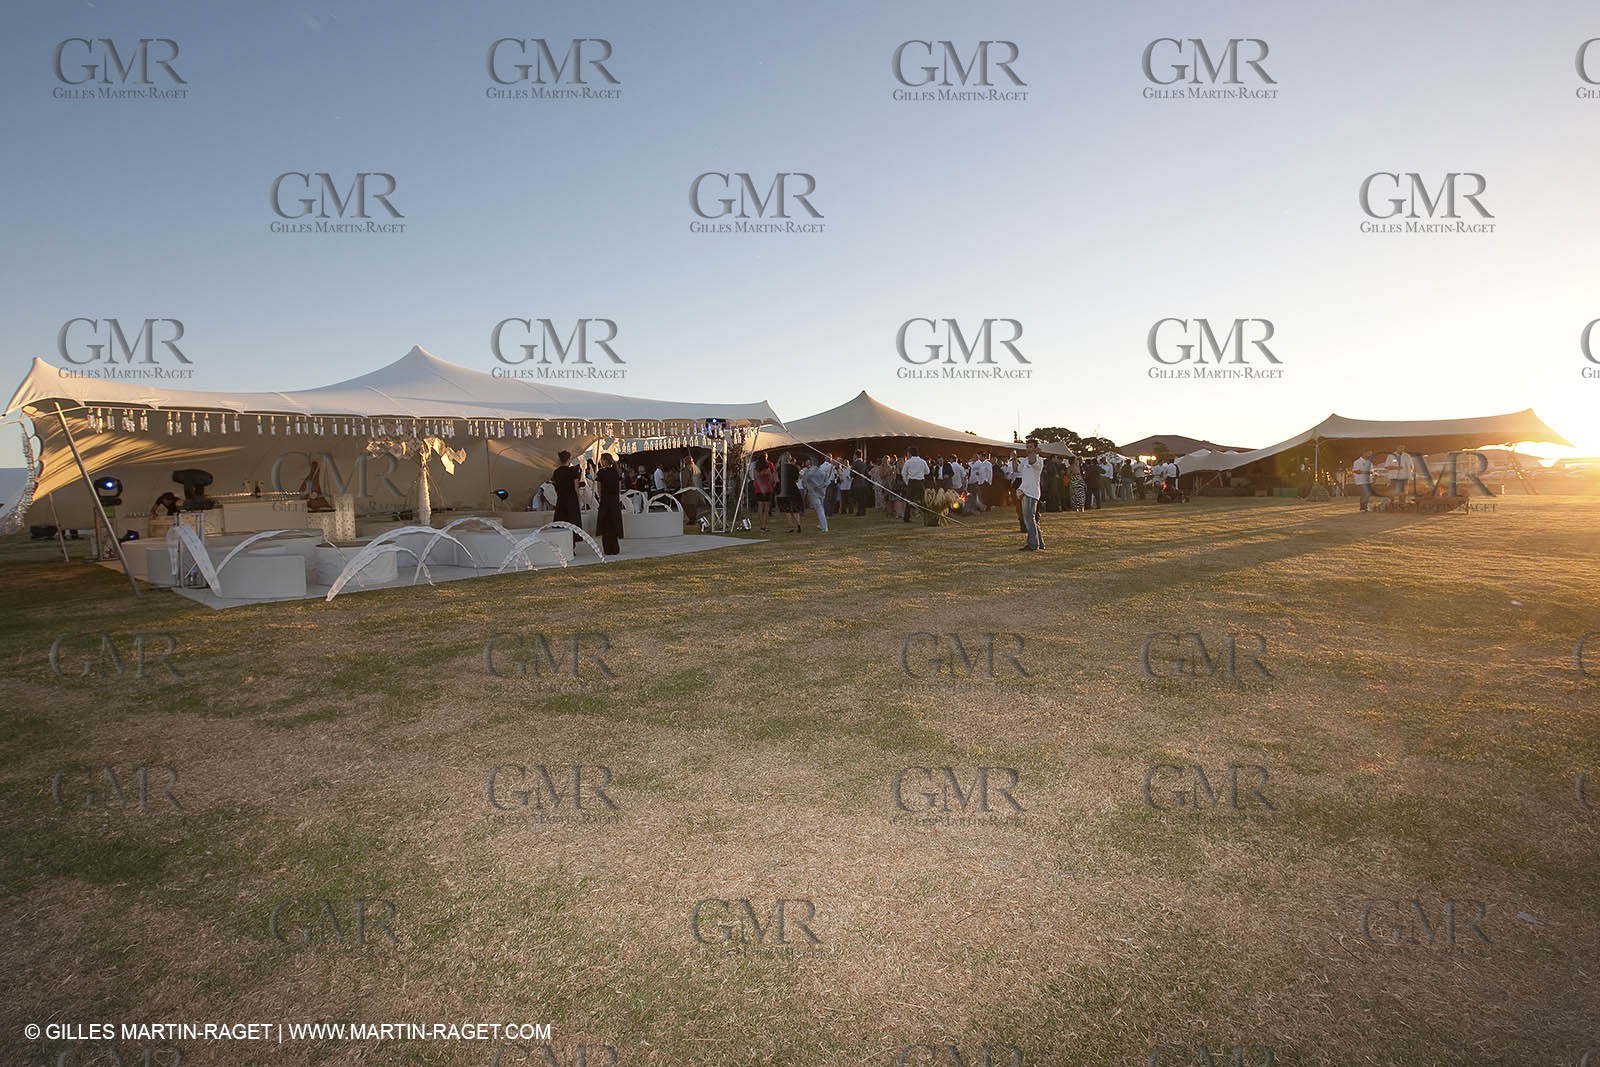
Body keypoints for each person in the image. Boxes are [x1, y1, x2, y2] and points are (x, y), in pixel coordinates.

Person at [1016, 439, 1046, 551]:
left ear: (1035, 448)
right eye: (1027, 447)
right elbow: (1016, 470)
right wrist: (1014, 459)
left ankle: (1033, 544)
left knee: (1029, 518)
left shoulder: (1038, 459)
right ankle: (1040, 543)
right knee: (1030, 519)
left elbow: (1033, 461)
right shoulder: (1024, 460)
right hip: (1025, 491)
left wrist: (1035, 453)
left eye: (1030, 447)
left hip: (1032, 492)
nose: (1028, 449)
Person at [595, 453, 624, 555]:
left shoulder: (601, 473)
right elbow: (619, 487)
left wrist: (600, 498)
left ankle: (607, 548)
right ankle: (615, 548)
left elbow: (599, 488)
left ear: (604, 460)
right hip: (614, 499)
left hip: (605, 499)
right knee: (614, 522)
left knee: (605, 523)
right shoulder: (616, 472)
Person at [550, 450, 582, 528]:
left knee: (561, 519)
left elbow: (555, 486)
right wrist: (578, 498)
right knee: (573, 519)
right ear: (569, 459)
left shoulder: (556, 472)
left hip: (561, 498)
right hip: (571, 498)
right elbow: (576, 486)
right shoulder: (573, 471)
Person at [799, 456, 831, 532]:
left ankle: (824, 526)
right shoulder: (822, 471)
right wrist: (823, 486)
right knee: (821, 508)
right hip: (822, 492)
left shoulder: (807, 472)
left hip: (813, 492)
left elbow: (804, 483)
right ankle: (821, 524)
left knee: (819, 509)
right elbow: (827, 481)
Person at [901, 447, 930, 523]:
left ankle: (906, 517)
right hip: (920, 482)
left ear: (910, 453)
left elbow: (903, 473)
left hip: (911, 482)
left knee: (909, 500)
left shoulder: (908, 462)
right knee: (923, 500)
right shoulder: (922, 461)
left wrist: (907, 482)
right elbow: (927, 472)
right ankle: (927, 516)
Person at [776, 451, 803, 532]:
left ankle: (790, 526)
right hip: (793, 488)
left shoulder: (780, 468)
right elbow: (797, 478)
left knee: (787, 509)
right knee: (795, 508)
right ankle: (798, 524)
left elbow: (777, 479)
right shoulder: (794, 468)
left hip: (784, 488)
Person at [751, 453, 775, 532]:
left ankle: (761, 524)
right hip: (767, 489)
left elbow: (754, 480)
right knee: (766, 508)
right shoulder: (767, 469)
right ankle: (764, 525)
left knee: (760, 507)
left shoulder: (755, 470)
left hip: (758, 489)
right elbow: (771, 479)